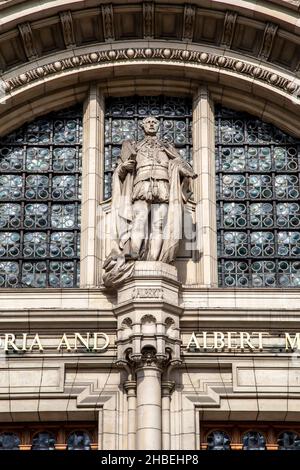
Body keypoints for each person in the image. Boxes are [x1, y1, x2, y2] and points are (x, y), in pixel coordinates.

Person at [103, 116, 197, 287]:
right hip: (141, 183)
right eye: (148, 122)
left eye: (155, 122)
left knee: (158, 224)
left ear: (159, 126)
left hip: (163, 184)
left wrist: (180, 166)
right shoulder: (135, 147)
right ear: (142, 126)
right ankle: (134, 253)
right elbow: (120, 170)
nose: (152, 124)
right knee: (139, 219)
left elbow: (182, 166)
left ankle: (155, 260)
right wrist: (124, 168)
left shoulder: (167, 147)